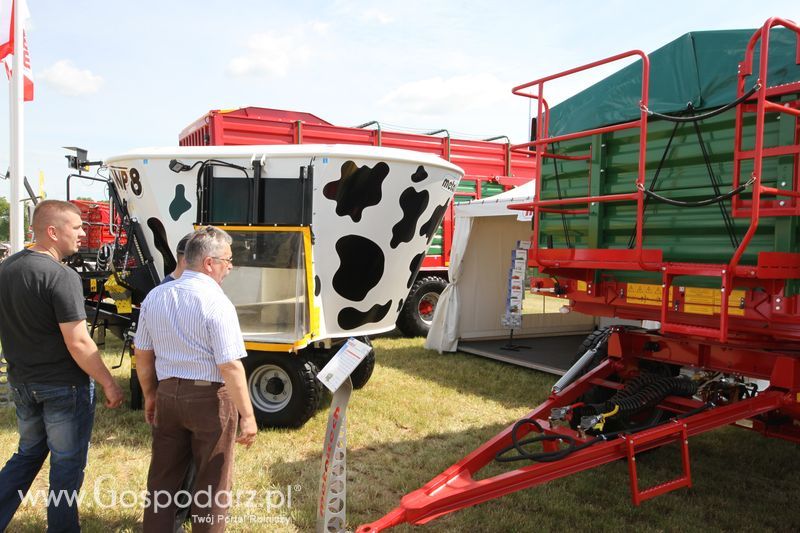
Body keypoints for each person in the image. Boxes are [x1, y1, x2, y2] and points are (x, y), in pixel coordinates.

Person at [0, 199, 125, 532]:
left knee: (27, 454)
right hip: (63, 387)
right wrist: (109, 382)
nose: (84, 234)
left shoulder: (7, 268)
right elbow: (79, 342)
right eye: (77, 227)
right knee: (67, 467)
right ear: (53, 232)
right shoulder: (61, 275)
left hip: (23, 384)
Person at [135, 226, 257, 532]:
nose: (230, 266)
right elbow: (230, 365)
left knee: (162, 480)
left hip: (168, 394)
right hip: (209, 398)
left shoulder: (155, 296)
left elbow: (143, 354)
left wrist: (151, 395)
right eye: (228, 260)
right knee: (213, 483)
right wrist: (248, 415)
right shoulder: (217, 302)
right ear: (209, 263)